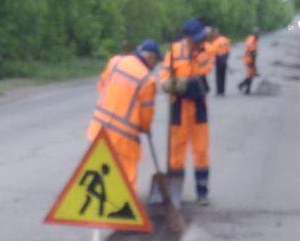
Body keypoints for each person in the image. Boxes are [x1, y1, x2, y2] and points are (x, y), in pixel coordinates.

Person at [87, 39, 162, 189]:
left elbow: (102, 86)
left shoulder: (115, 62)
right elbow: (145, 117)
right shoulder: (147, 80)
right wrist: (145, 128)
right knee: (127, 180)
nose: (155, 67)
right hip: (124, 139)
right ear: (150, 57)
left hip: (98, 130)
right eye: (156, 62)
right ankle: (124, 210)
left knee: (99, 174)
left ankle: (98, 207)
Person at [160, 17, 215, 205]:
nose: (199, 41)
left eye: (201, 38)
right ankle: (176, 192)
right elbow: (165, 77)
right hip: (179, 105)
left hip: (199, 104)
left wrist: (188, 82)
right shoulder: (174, 51)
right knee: (177, 150)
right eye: (196, 39)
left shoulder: (206, 50)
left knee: (201, 149)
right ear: (187, 38)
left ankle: (202, 192)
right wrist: (172, 83)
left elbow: (205, 69)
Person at [209, 29, 231, 95]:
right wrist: (226, 58)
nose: (214, 35)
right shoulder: (225, 39)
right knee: (223, 76)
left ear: (216, 34)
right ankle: (222, 91)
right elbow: (228, 50)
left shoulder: (215, 41)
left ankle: (219, 91)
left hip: (218, 60)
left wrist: (212, 61)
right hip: (224, 59)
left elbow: (212, 52)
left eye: (215, 34)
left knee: (218, 76)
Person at [238, 28, 259, 94]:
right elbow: (251, 52)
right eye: (257, 33)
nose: (258, 34)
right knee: (251, 74)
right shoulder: (252, 39)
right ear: (254, 33)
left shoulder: (253, 39)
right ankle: (243, 86)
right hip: (249, 59)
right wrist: (253, 64)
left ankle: (246, 88)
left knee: (251, 75)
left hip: (250, 58)